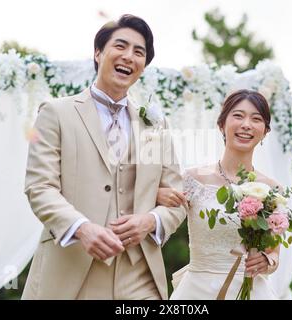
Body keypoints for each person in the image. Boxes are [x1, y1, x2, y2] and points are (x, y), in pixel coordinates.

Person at [22, 14, 186, 300]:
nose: (128, 56)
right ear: (98, 53)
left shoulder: (155, 125)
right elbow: (40, 187)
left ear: (144, 66)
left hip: (139, 275)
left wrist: (151, 220)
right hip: (72, 268)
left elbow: (178, 198)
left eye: (139, 52)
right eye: (120, 46)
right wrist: (82, 229)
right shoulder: (56, 113)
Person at [156, 89, 280, 299]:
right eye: (238, 116)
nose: (246, 125)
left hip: (251, 291)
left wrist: (268, 262)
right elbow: (165, 216)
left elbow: (274, 253)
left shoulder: (272, 189)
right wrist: (156, 194)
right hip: (197, 292)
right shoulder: (192, 179)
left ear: (265, 131)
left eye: (256, 119)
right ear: (221, 124)